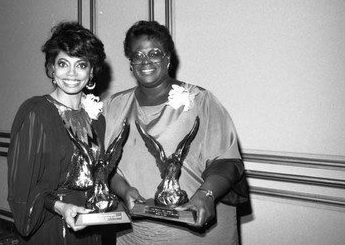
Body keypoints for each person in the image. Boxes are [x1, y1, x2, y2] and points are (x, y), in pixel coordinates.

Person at [105, 20, 249, 244]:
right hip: (137, 233)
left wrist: (206, 195)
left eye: (154, 53)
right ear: (130, 63)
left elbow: (227, 160)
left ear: (168, 58)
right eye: (138, 55)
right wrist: (123, 190)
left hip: (194, 230)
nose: (146, 61)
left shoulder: (200, 99)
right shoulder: (114, 105)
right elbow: (104, 165)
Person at [7, 21, 109, 244]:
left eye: (81, 65)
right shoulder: (36, 112)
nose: (72, 73)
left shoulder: (96, 117)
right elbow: (22, 187)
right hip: (51, 222)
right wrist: (61, 206)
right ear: (52, 69)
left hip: (89, 219)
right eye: (63, 64)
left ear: (91, 71)